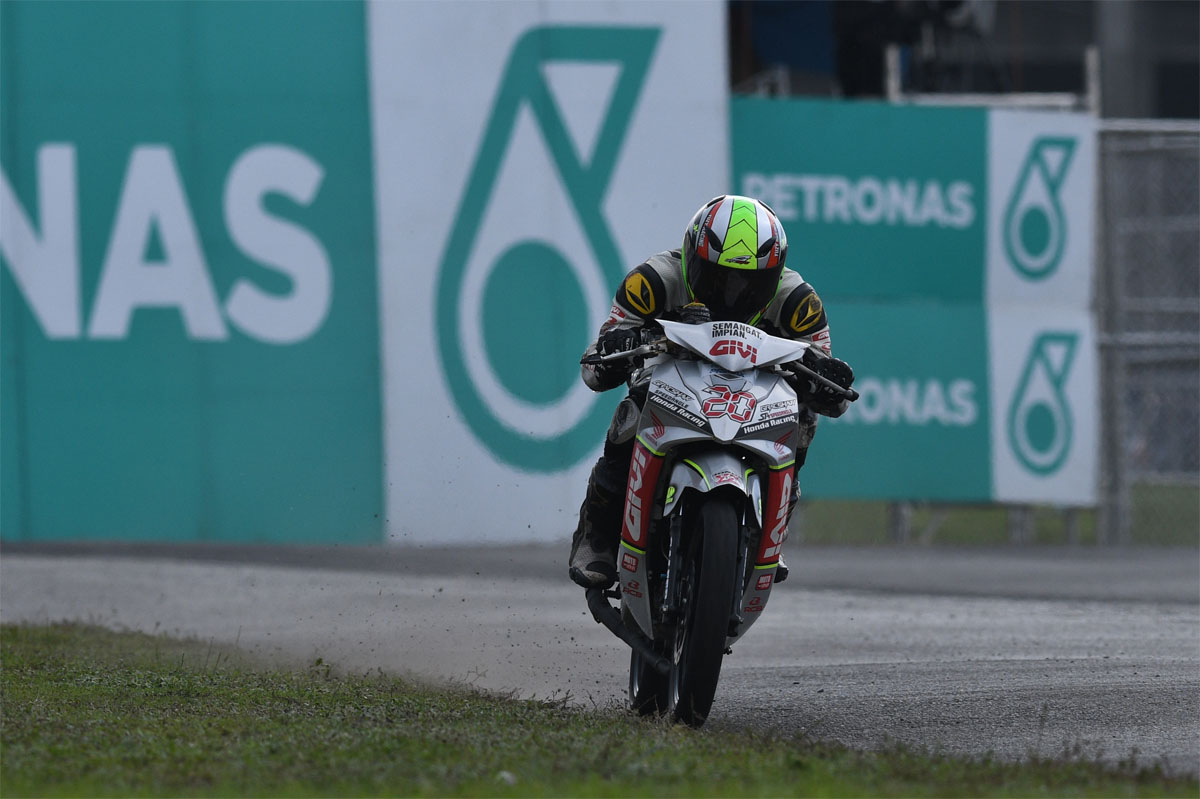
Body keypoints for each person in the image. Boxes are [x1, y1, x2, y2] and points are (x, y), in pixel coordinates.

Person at [568, 195, 855, 589]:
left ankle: (772, 522)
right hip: (670, 377)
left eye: (750, 282)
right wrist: (618, 346)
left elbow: (830, 383)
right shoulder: (652, 280)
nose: (733, 293)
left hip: (755, 389)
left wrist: (825, 376)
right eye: (718, 276)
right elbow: (594, 367)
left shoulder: (798, 300)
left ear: (775, 272)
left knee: (803, 418)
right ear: (691, 255)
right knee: (632, 411)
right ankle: (597, 533)